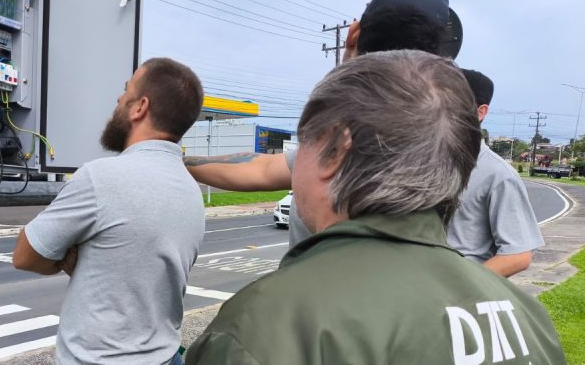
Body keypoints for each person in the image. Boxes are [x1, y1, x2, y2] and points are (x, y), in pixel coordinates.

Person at [185, 50, 565, 365]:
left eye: (302, 146)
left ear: (335, 148)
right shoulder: (530, 320)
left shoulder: (265, 327)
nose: (291, 166)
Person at [184, 0, 463, 248]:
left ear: (354, 34)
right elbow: (263, 168)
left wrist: (173, 158)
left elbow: (262, 169)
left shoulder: (336, 134)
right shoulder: (451, 148)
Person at [13, 57, 205, 365]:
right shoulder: (192, 190)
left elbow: (25, 256)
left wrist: (65, 259)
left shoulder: (100, 178)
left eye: (125, 90)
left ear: (140, 107)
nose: (118, 99)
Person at [448, 69, 544, 276]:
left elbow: (517, 255)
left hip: (461, 297)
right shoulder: (422, 164)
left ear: (480, 112)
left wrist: (461, 288)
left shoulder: (498, 174)